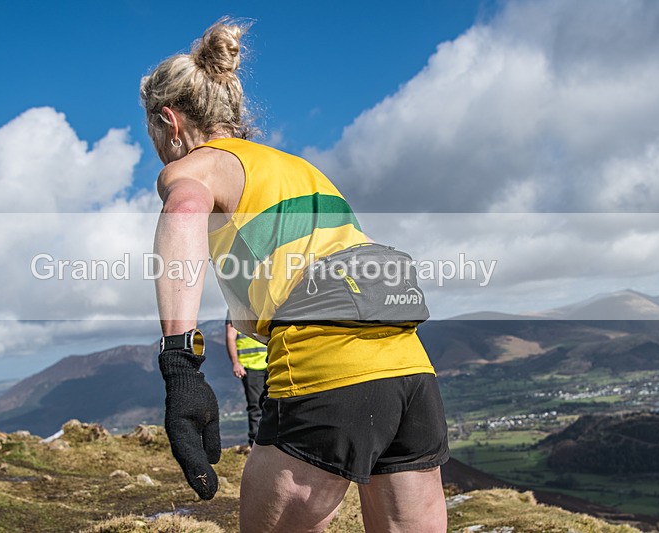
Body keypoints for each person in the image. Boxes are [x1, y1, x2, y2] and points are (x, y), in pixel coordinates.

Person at [142, 18, 449, 532]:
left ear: (170, 121)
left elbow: (184, 209)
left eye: (153, 134)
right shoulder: (299, 169)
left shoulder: (198, 165)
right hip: (410, 370)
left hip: (325, 367)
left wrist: (180, 363)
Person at [225, 311, 267, 451]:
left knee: (274, 404)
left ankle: (272, 445)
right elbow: (230, 336)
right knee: (256, 407)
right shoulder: (236, 307)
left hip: (270, 362)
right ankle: (256, 446)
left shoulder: (265, 302)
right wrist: (236, 363)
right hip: (250, 365)